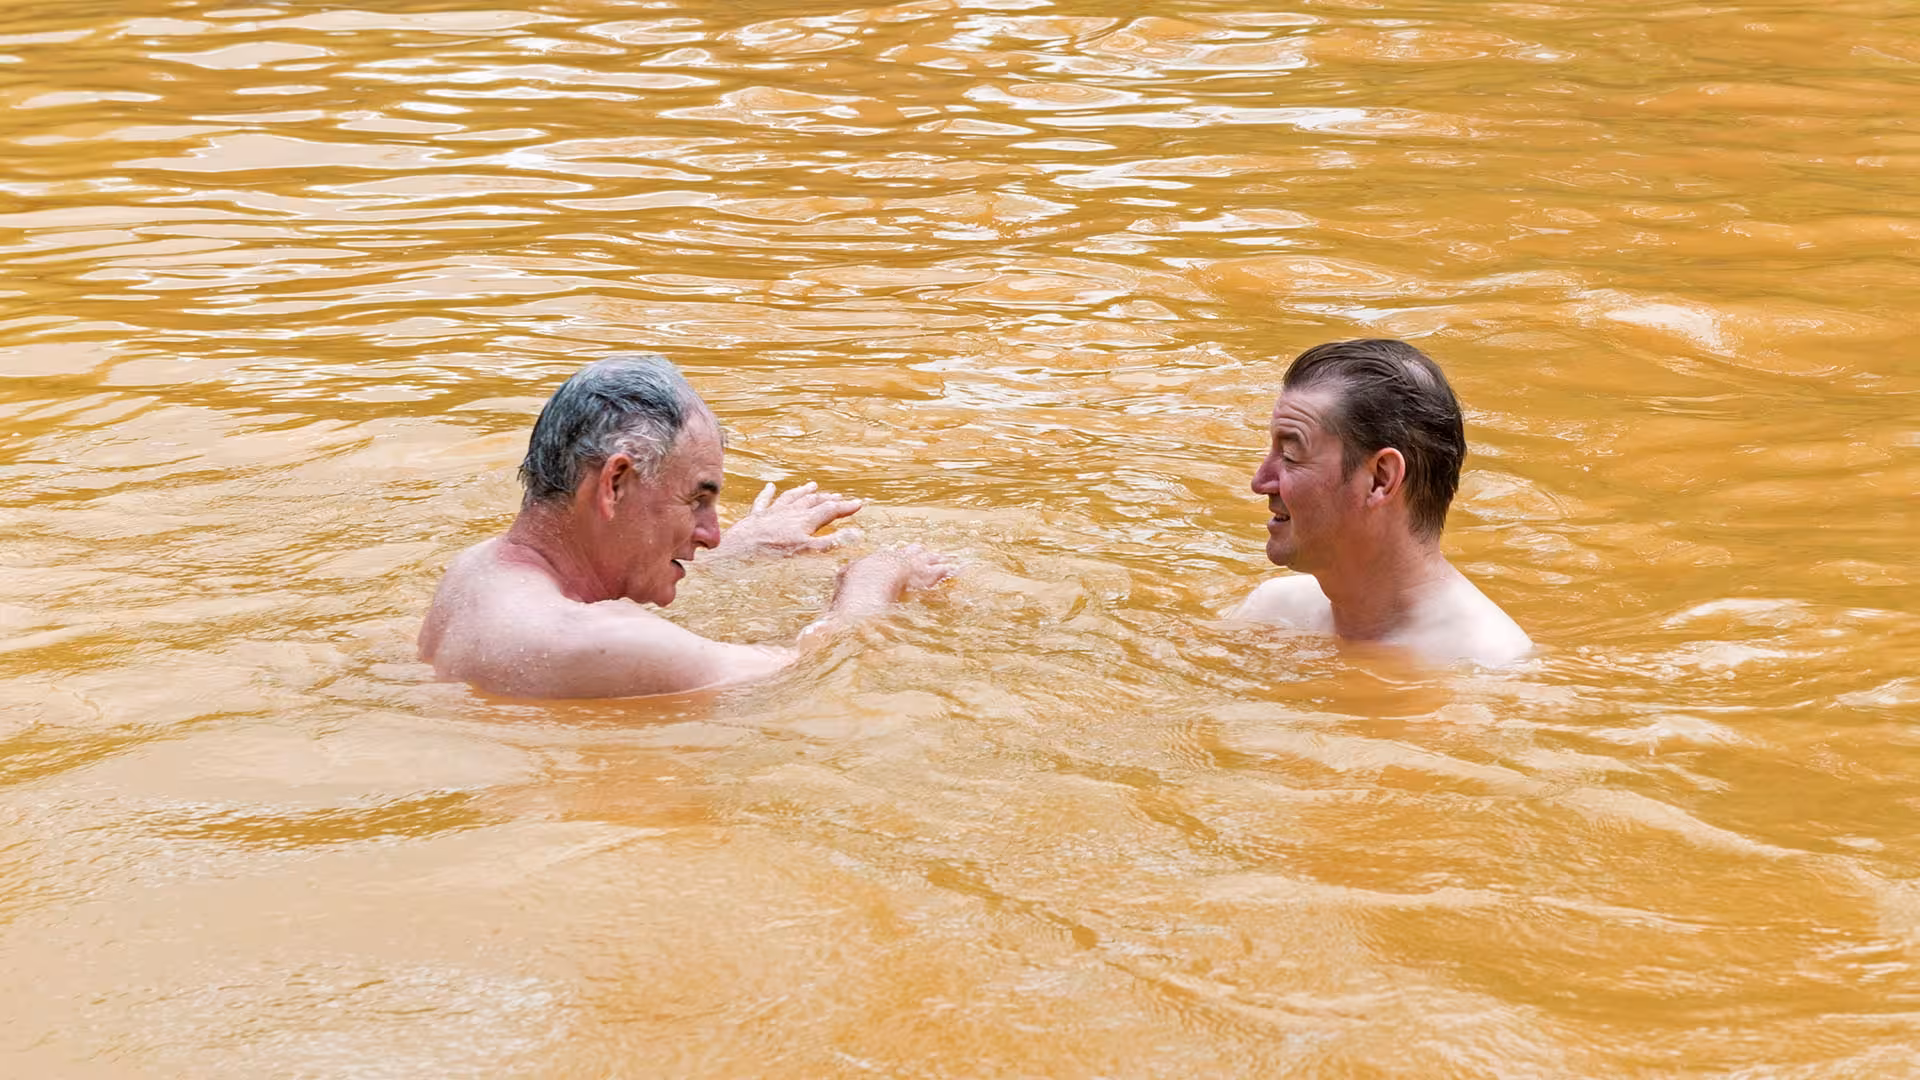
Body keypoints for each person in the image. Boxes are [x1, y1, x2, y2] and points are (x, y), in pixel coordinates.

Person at [419, 354, 953, 698]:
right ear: (615, 482)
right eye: (697, 499)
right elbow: (809, 667)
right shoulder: (596, 642)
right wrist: (872, 580)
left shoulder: (476, 572)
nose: (712, 532)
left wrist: (738, 549)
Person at [1232, 338, 1531, 666]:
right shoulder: (1272, 615)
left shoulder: (1485, 663)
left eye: (1290, 456)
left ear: (1380, 480)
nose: (1260, 482)